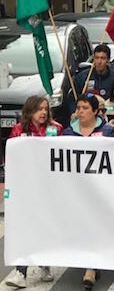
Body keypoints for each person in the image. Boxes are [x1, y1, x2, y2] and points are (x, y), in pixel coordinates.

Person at [62, 94, 114, 290]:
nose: (80, 111)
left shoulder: (108, 131)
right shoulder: (68, 133)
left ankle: (91, 268)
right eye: (78, 108)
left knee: (95, 223)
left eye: (85, 108)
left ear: (95, 111)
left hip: (101, 190)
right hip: (76, 190)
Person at [5, 96, 60, 289]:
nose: (43, 112)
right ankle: (21, 272)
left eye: (46, 108)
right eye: (39, 109)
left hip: (48, 188)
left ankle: (44, 263)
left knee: (43, 226)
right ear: (29, 111)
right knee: (26, 227)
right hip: (26, 187)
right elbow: (11, 156)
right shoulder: (18, 130)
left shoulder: (56, 129)